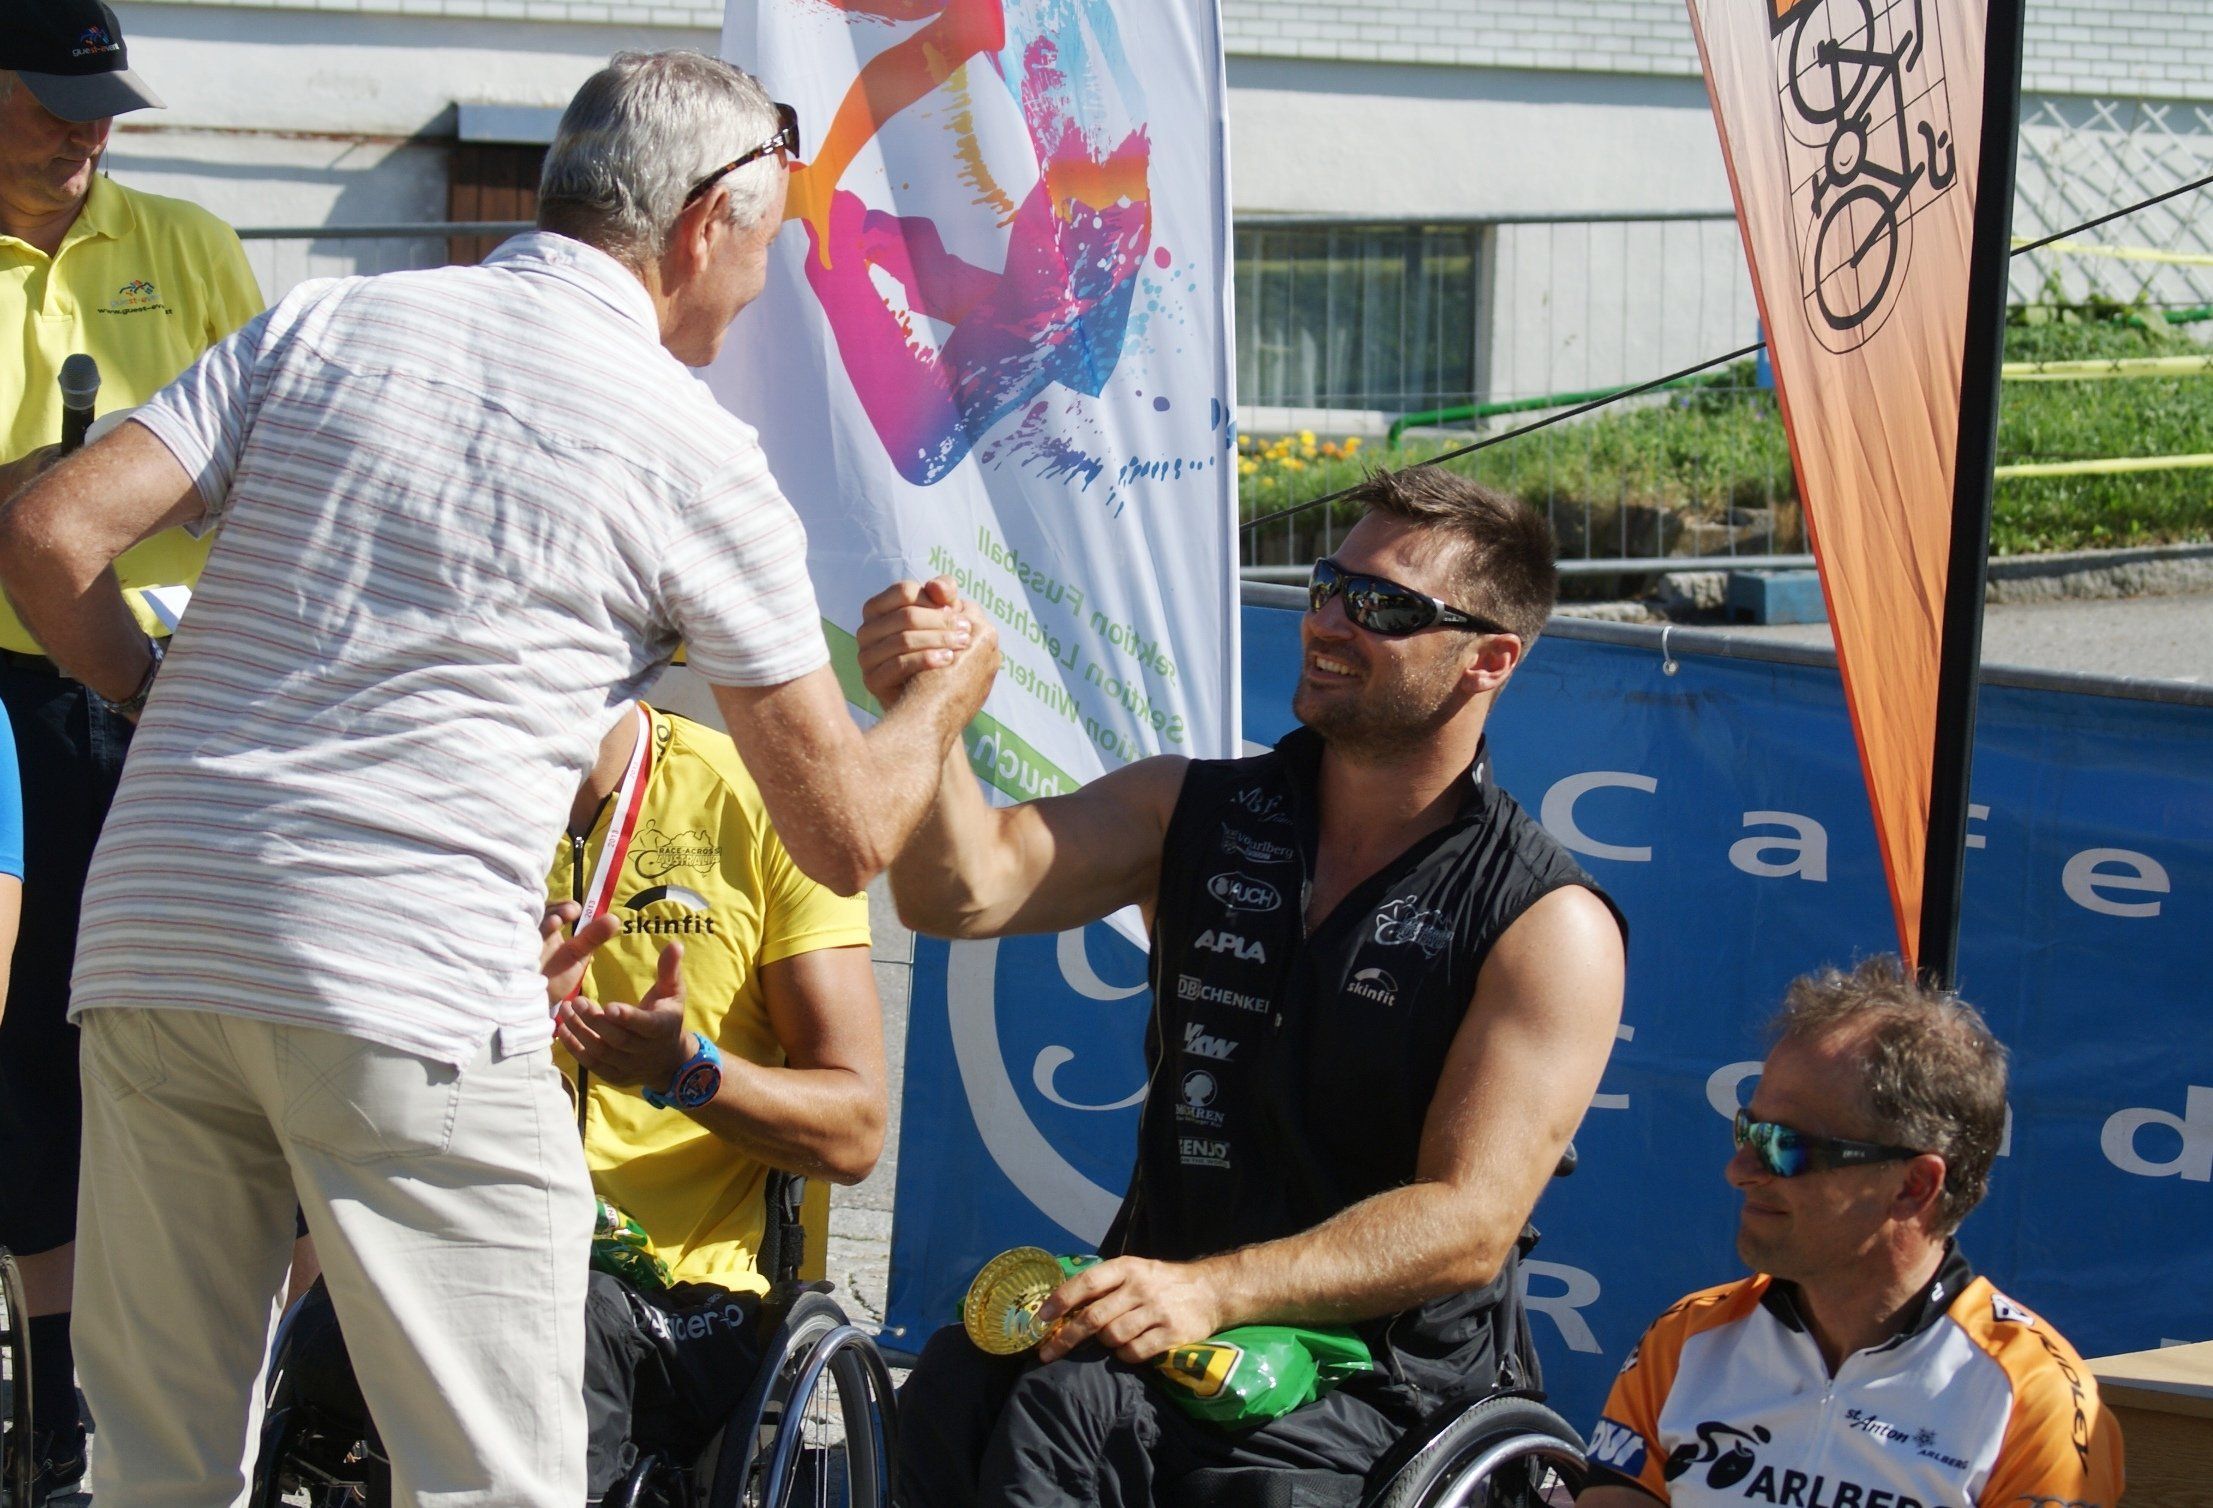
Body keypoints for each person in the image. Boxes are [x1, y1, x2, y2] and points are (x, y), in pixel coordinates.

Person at [0, 48, 997, 1508]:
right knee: (497, 1482)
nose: (762, 285)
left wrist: (158, 703)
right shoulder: (693, 449)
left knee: (157, 1472)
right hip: (403, 979)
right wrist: (942, 696)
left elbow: (48, 535)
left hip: (155, 933)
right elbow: (846, 833)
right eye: (769, 243)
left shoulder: (332, 317)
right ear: (703, 223)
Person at [860, 466, 1628, 1505]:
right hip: (1157, 1326)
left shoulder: (1546, 921)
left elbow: (1468, 1221)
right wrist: (927, 713)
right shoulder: (1191, 805)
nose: (1329, 622)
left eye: (1382, 607)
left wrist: (1215, 1290)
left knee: (1086, 1416)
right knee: (960, 1382)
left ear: (1488, 658)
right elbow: (957, 892)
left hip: (1379, 1381)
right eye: (1327, 585)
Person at [283, 699, 890, 1499]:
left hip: (673, 1296)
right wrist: (487, 1025)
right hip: (451, 1245)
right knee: (316, 1338)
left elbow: (854, 1132)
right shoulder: (423, 794)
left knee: (553, 1331)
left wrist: (685, 1070)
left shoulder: (767, 800)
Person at [0, 2, 262, 1495]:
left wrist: (119, 495)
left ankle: (245, 1389)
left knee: (202, 1032)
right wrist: (36, 496)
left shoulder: (192, 245)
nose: (83, 131)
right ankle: (56, 1408)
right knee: (32, 1044)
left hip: (179, 687)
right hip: (11, 700)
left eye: (101, 103)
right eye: (49, 100)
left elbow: (279, 462)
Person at [1579, 958, 2125, 1508]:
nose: (1739, 1170)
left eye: (1785, 1146)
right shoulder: (1688, 1338)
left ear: (1913, 1186)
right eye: (1748, 1132)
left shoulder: (2032, 1396)